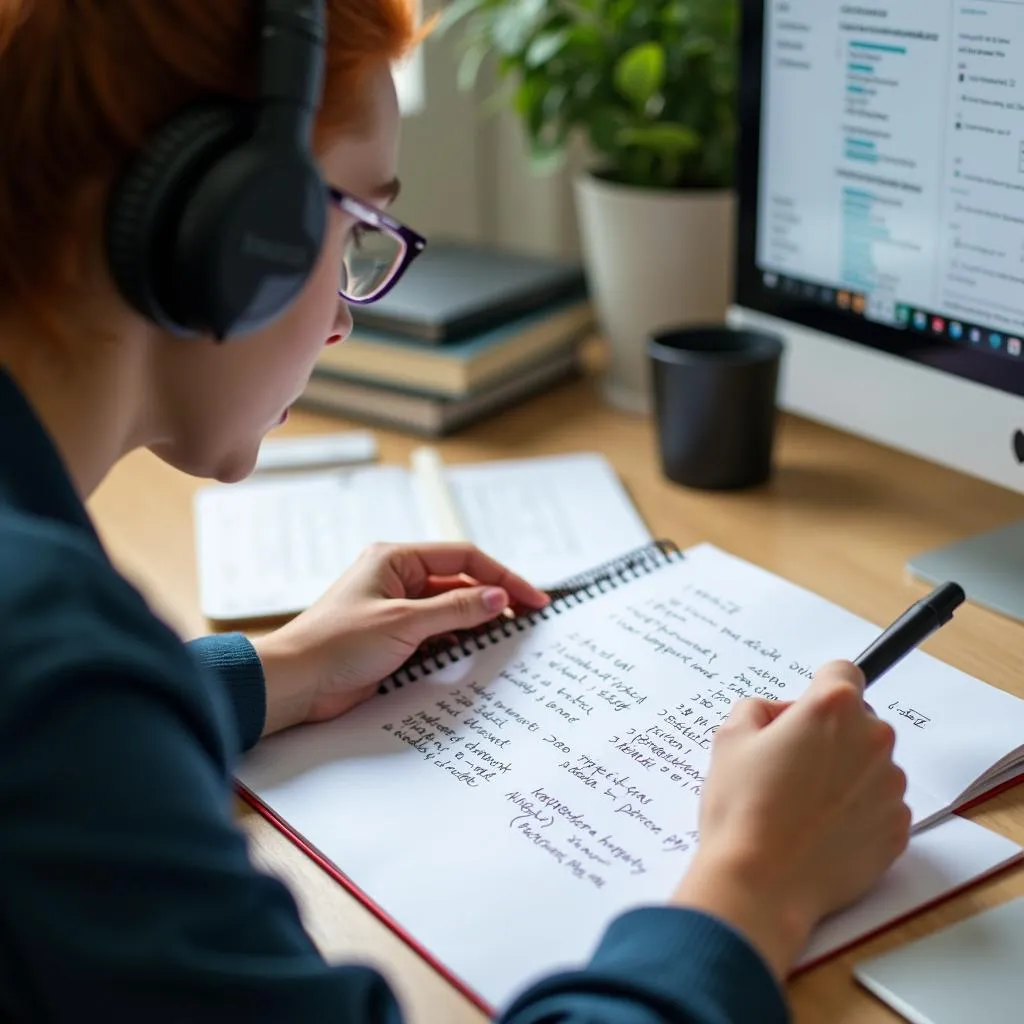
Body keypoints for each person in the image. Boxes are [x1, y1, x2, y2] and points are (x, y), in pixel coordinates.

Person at [0, 2, 911, 1021]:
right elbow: (55, 722)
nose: (347, 314)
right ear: (227, 231)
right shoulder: (49, 662)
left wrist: (276, 671)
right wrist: (753, 879)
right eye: (353, 230)